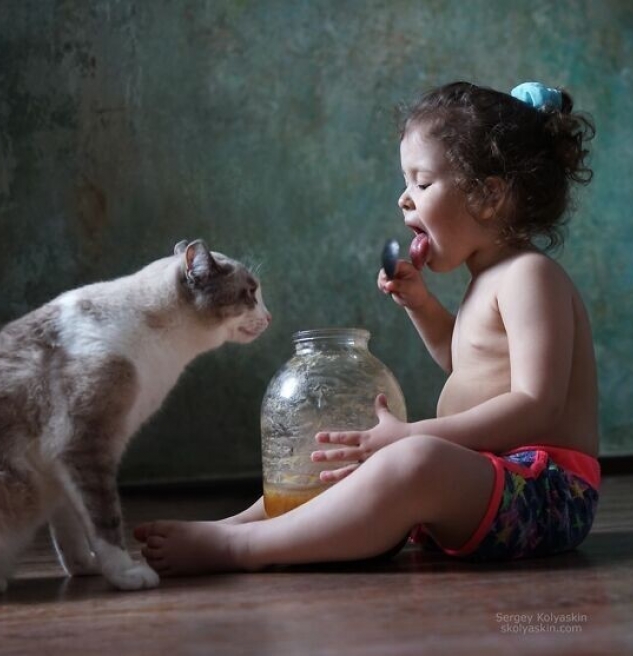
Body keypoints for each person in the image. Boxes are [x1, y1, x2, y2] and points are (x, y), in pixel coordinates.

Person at [134, 81, 599, 574]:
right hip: (486, 482)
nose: (404, 199)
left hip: (545, 493)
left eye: (422, 183)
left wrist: (416, 434)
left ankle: (245, 548)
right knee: (351, 455)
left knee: (414, 457)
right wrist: (421, 305)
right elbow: (464, 363)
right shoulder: (486, 279)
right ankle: (237, 525)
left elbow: (537, 404)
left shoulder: (529, 276)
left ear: (488, 196)